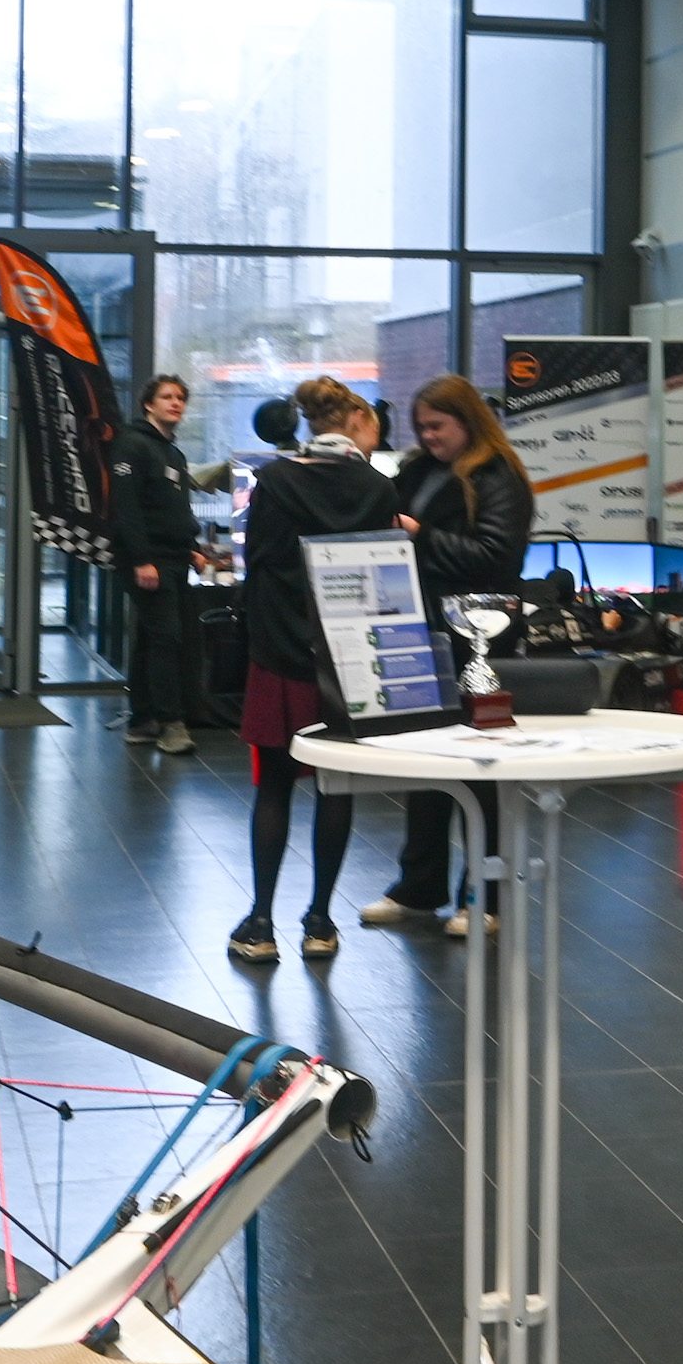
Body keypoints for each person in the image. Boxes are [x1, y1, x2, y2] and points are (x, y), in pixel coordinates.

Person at [232, 374, 397, 964]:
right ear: (351, 421)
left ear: (305, 422)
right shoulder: (377, 487)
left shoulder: (275, 481)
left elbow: (260, 563)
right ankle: (321, 920)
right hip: (348, 655)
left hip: (281, 652)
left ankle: (259, 922)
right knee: (337, 785)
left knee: (274, 785)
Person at [362, 374, 534, 933]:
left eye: (437, 426)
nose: (428, 436)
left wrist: (419, 537)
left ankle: (486, 896)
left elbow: (496, 555)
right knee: (427, 762)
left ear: (466, 421)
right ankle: (421, 886)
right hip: (424, 630)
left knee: (481, 769)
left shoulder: (499, 475)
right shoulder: (419, 469)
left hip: (480, 639)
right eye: (421, 427)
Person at [112, 374, 203, 758]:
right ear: (148, 404)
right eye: (167, 397)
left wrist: (192, 548)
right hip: (148, 561)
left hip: (173, 559)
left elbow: (174, 511)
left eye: (181, 397)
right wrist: (141, 560)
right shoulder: (131, 445)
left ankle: (142, 719)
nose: (175, 403)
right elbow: (126, 508)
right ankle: (171, 724)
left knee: (152, 639)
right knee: (167, 638)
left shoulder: (173, 453)